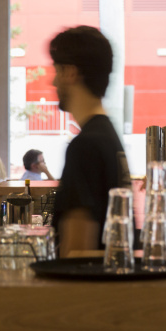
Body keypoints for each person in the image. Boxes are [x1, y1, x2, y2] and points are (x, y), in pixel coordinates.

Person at [49, 26, 132, 257]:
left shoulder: (84, 146)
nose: (53, 81)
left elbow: (77, 255)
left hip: (92, 280)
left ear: (70, 72)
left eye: (56, 71)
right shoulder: (108, 136)